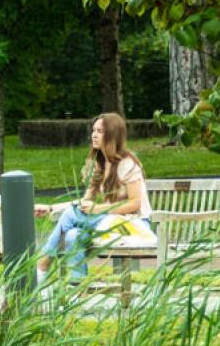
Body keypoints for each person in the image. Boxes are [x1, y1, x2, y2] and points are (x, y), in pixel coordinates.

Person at [34, 113, 156, 286]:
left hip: (134, 226)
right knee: (72, 235)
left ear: (113, 135)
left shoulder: (127, 163)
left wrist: (100, 209)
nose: (94, 135)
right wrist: (51, 208)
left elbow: (135, 203)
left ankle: (42, 268)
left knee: (71, 216)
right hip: (110, 223)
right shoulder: (100, 165)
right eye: (93, 130)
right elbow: (83, 204)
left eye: (100, 131)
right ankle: (77, 289)